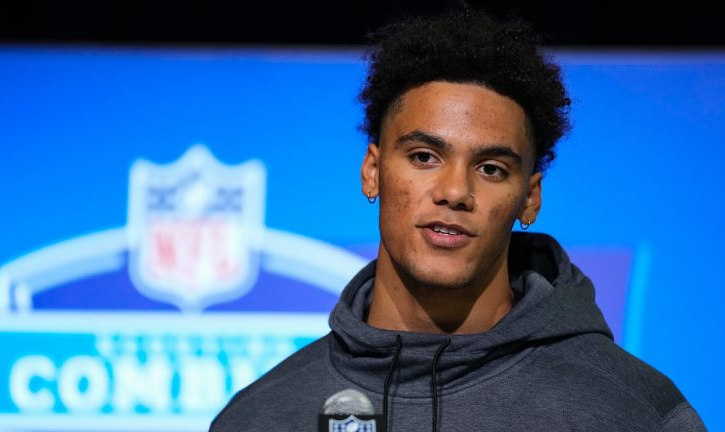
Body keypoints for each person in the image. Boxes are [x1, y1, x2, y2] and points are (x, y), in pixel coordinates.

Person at [210, 8, 706, 432]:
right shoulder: (263, 415)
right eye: (425, 156)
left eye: (491, 169)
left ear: (529, 199)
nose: (454, 192)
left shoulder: (629, 410)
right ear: (372, 171)